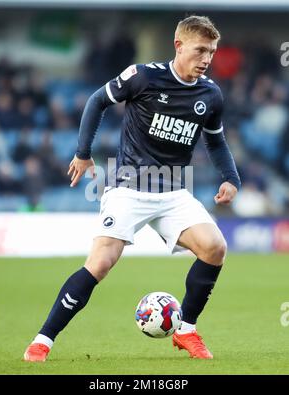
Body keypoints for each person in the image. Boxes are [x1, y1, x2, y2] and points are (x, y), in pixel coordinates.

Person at [24, 15, 241, 362]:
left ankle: (186, 331)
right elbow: (97, 101)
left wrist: (231, 178)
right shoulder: (143, 76)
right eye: (201, 50)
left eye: (212, 52)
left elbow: (216, 142)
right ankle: (42, 341)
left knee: (215, 248)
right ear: (179, 45)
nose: (206, 59)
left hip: (174, 191)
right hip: (128, 187)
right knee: (101, 262)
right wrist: (83, 154)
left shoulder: (210, 94)